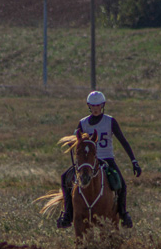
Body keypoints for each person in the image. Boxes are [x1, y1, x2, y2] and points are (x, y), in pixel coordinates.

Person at [57, 91, 142, 229]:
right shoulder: (83, 122)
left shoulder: (110, 121)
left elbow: (123, 141)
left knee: (121, 184)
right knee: (64, 178)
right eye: (93, 105)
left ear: (103, 105)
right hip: (87, 161)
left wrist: (134, 161)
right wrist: (72, 141)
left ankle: (123, 214)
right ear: (89, 106)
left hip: (107, 158)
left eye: (98, 105)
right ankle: (68, 214)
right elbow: (75, 139)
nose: (96, 108)